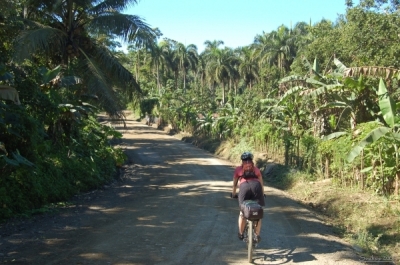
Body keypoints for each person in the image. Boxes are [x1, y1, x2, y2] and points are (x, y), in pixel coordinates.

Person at [231, 151, 265, 243]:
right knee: (258, 212)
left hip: (244, 187)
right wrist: (262, 193)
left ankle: (241, 233)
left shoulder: (238, 169)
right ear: (252, 160)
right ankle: (257, 235)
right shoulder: (256, 169)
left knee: (242, 213)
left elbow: (234, 185)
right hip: (256, 187)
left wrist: (233, 194)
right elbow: (261, 183)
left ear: (242, 161)